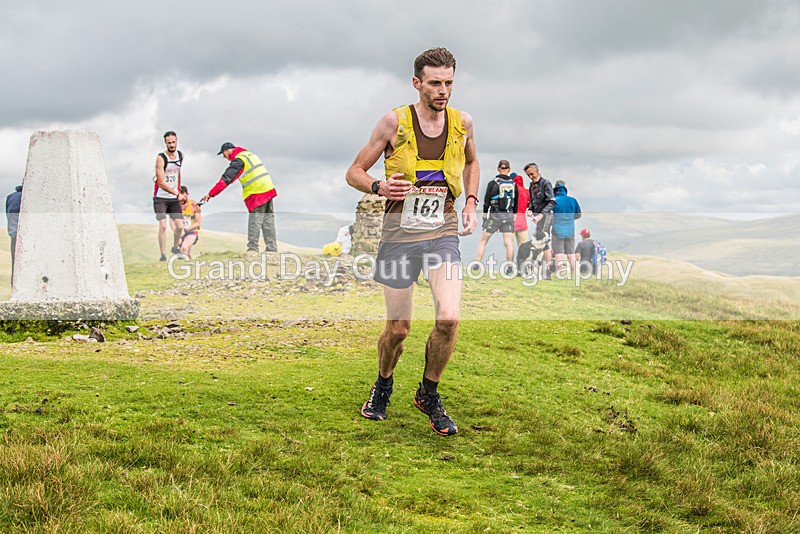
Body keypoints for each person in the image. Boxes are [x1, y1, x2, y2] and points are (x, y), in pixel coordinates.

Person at [345, 47, 479, 436]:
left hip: (442, 230)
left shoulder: (463, 123)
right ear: (417, 82)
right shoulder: (394, 122)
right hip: (399, 234)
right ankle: (383, 384)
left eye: (449, 83)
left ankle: (428, 394)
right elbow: (354, 171)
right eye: (435, 83)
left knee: (449, 318)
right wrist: (379, 186)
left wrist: (471, 202)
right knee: (399, 329)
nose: (443, 91)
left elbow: (472, 162)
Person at [201, 142, 278, 255]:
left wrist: (210, 194)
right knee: (268, 220)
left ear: (228, 150)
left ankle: (252, 249)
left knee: (255, 220)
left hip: (256, 191)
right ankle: (272, 248)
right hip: (268, 188)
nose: (224, 157)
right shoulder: (249, 155)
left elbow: (226, 179)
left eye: (223, 154)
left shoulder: (239, 160)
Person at [474, 160, 517, 274]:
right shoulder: (513, 184)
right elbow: (515, 202)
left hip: (495, 216)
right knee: (508, 242)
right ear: (509, 169)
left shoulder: (493, 183)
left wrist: (484, 215)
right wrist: (514, 215)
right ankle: (509, 267)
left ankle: (477, 264)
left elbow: (487, 200)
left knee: (483, 240)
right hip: (508, 215)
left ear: (498, 169)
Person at [153, 131, 184, 262]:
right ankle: (163, 254)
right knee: (163, 226)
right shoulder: (161, 158)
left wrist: (179, 191)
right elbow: (160, 182)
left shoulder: (180, 155)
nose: (171, 145)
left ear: (176, 141)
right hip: (161, 197)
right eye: (169, 143)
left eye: (173, 142)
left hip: (174, 198)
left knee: (180, 226)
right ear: (165, 143)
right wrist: (176, 193)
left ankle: (175, 247)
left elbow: (178, 173)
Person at [525, 163, 555, 279]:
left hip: (546, 216)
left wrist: (541, 215)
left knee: (543, 242)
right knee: (541, 242)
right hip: (537, 217)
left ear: (537, 171)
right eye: (528, 175)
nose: (530, 176)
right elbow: (532, 201)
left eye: (531, 174)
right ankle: (542, 271)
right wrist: (530, 210)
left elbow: (552, 202)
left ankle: (546, 271)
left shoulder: (546, 183)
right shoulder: (531, 185)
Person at [551, 180, 581, 276]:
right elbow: (578, 214)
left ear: (556, 190)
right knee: (571, 254)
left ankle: (559, 273)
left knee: (558, 253)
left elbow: (549, 214)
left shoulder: (554, 201)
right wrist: (570, 218)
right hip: (570, 230)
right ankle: (575, 274)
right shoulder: (573, 200)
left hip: (557, 229)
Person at [176, 185, 202, 260]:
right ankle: (191, 263)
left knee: (184, 248)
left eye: (182, 193)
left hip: (192, 231)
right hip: (180, 232)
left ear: (187, 194)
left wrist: (186, 229)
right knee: (185, 250)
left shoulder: (194, 205)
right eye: (178, 194)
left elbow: (198, 222)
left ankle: (184, 265)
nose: (180, 196)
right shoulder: (175, 206)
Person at [5, 185, 22, 282]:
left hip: (13, 233)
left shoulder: (10, 197)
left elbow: (8, 215)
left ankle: (13, 284)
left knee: (15, 264)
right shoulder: (25, 197)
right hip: (22, 235)